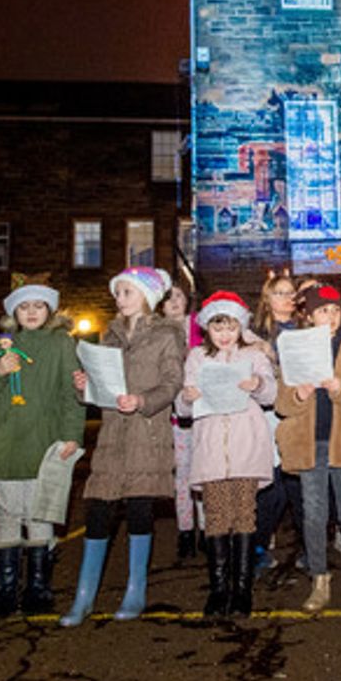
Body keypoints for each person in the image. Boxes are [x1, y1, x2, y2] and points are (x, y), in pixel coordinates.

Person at [61, 267, 186, 627]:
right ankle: (84, 596)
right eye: (118, 293)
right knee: (98, 510)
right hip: (114, 435)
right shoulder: (109, 336)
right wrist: (84, 385)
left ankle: (136, 589)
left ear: (147, 296)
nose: (120, 299)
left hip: (147, 433)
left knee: (139, 510)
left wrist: (143, 400)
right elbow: (100, 389)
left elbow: (172, 383)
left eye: (128, 292)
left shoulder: (167, 334)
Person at [0, 276, 85, 617]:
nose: (31, 312)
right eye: (24, 306)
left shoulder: (62, 343)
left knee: (39, 513)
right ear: (13, 312)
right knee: (7, 513)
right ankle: (6, 591)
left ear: (49, 310)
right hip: (4, 441)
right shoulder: (0, 344)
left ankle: (38, 589)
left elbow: (71, 394)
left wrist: (72, 435)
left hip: (43, 439)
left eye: (38, 306)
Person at [275, 283, 341, 615]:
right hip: (310, 443)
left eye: (335, 311)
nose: (331, 317)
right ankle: (319, 581)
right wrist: (298, 395)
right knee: (314, 515)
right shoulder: (295, 345)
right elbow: (281, 401)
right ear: (308, 315)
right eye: (323, 310)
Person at [175, 292, 277, 618]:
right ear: (207, 328)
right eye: (217, 327)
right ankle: (219, 590)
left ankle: (242, 590)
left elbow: (272, 393)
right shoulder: (197, 358)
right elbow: (181, 407)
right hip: (211, 450)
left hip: (246, 445)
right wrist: (187, 397)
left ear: (240, 327)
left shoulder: (253, 356)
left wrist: (257, 383)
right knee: (217, 517)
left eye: (230, 326)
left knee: (245, 515)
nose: (224, 334)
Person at [249, 271, 304, 574]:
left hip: (299, 413)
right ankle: (257, 547)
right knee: (273, 487)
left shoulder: (305, 328)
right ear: (267, 299)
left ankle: (310, 549)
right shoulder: (254, 333)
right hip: (268, 416)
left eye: (289, 292)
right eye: (279, 292)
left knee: (299, 487)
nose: (286, 298)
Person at [161, 283, 202, 560]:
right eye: (168, 298)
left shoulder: (199, 326)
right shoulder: (157, 331)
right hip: (175, 417)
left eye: (178, 296)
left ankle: (208, 530)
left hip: (202, 411)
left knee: (205, 474)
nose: (174, 302)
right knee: (183, 477)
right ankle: (186, 531)